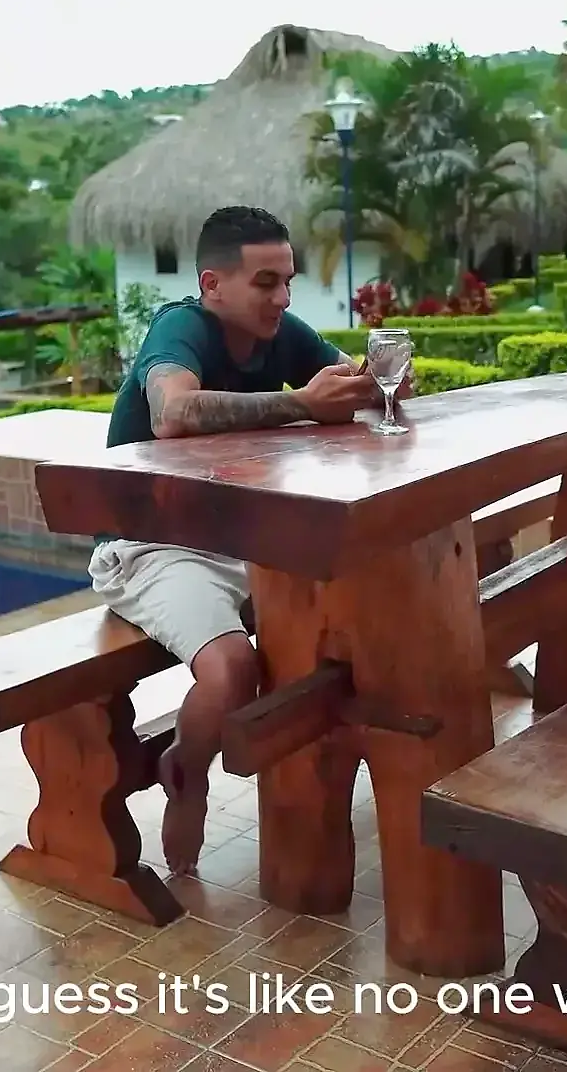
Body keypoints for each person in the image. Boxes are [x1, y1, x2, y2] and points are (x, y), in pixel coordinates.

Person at [90, 205, 411, 877]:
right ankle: (187, 769)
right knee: (233, 669)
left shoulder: (280, 334)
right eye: (266, 283)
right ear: (213, 285)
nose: (283, 298)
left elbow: (344, 385)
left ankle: (363, 772)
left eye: (288, 281)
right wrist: (301, 405)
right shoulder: (181, 327)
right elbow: (172, 412)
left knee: (354, 615)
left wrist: (380, 384)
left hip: (244, 534)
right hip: (154, 543)